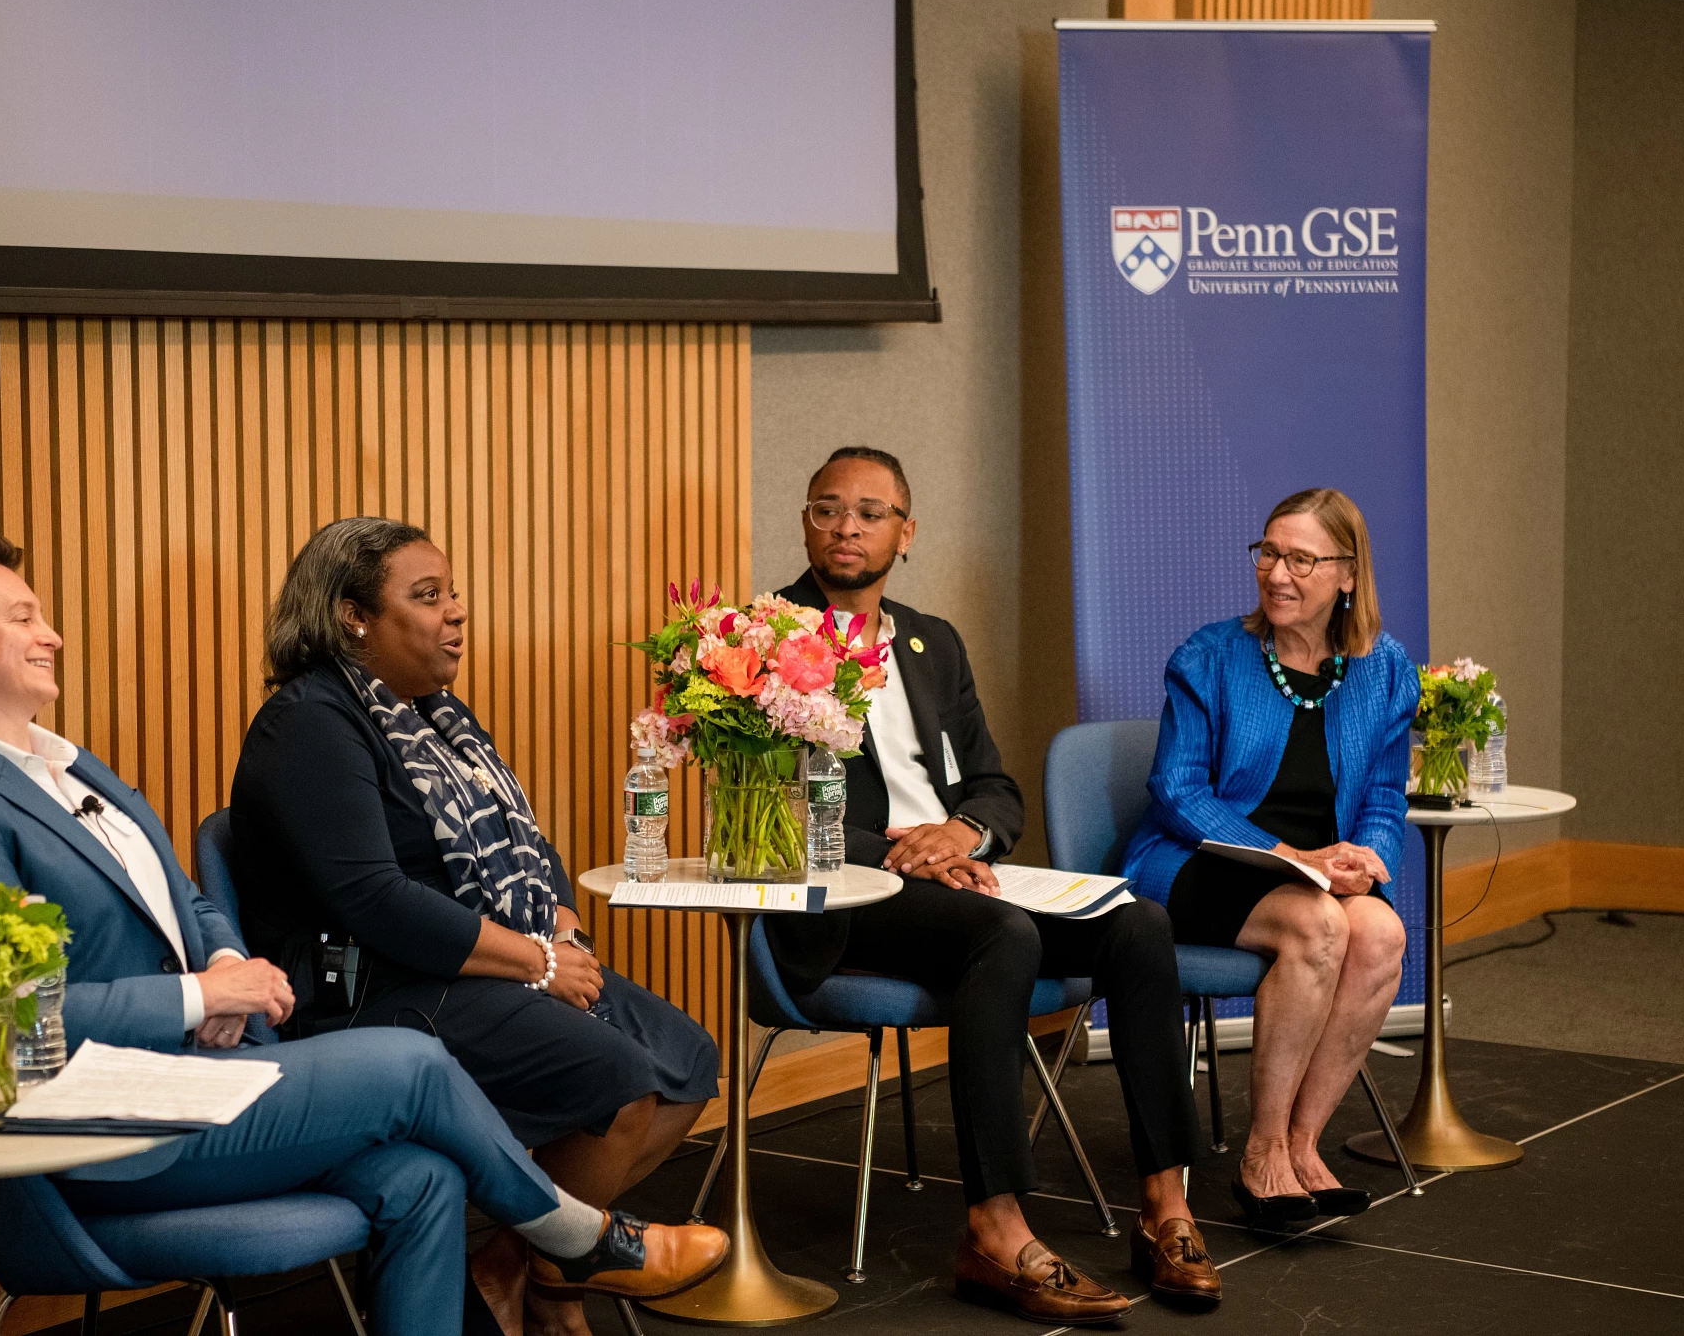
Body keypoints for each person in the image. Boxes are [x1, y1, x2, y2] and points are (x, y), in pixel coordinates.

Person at [0, 531, 727, 1336]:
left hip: (203, 1077)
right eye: (21, 618)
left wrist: (225, 956)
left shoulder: (73, 767)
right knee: (408, 1061)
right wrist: (195, 995)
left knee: (421, 1176)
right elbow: (1, 1021)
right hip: (103, 1128)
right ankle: (581, 1237)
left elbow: (191, 899)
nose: (51, 633)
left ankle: (549, 1252)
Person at [227, 517, 719, 1336]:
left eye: (452, 592)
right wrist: (533, 960)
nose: (456, 611)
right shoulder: (310, 721)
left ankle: (509, 1271)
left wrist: (561, 927)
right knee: (624, 1081)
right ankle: (560, 1281)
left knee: (688, 1061)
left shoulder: (435, 716)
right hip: (376, 992)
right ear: (353, 615)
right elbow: (376, 899)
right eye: (427, 596)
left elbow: (526, 842)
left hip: (476, 964)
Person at [765, 447, 1220, 1320]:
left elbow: (995, 787)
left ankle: (1166, 1205)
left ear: (907, 530)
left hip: (955, 876)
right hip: (844, 889)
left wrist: (964, 832)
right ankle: (995, 1226)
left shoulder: (933, 641)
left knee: (1139, 924)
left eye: (870, 511)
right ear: (805, 521)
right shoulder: (763, 640)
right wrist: (905, 849)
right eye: (828, 508)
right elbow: (773, 804)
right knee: (1001, 934)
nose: (847, 527)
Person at [1123, 487, 1414, 1228]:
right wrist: (1288, 853)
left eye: (1301, 558)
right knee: (1319, 925)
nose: (1277, 573)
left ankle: (1302, 1141)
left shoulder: (1383, 670)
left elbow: (1384, 799)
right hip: (1196, 860)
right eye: (1269, 553)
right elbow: (1176, 789)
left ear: (1348, 575)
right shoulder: (1211, 655)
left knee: (1380, 932)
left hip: (1313, 873)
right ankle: (1260, 1156)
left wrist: (1368, 861)